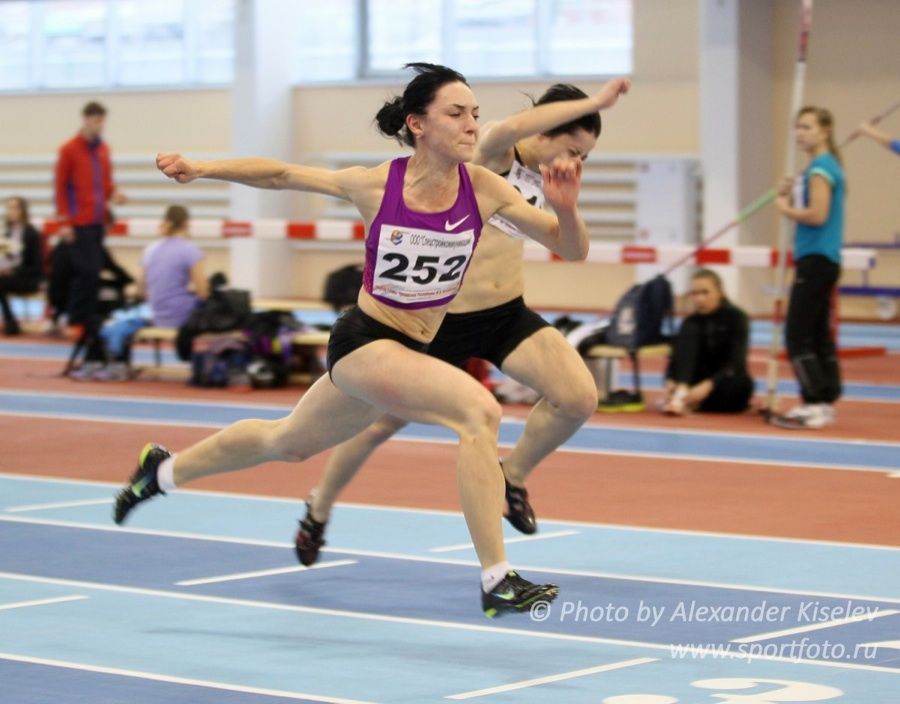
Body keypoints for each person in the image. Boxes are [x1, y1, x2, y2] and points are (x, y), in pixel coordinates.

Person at [112, 63, 628, 617]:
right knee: (478, 412)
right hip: (366, 341)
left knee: (287, 442)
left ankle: (160, 472)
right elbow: (281, 175)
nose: (471, 124)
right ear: (418, 124)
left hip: (416, 347)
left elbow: (570, 249)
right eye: (456, 113)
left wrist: (567, 209)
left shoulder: (486, 189)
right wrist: (201, 167)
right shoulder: (377, 184)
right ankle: (496, 579)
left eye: (475, 113)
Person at [295, 81, 630, 568]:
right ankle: (318, 507)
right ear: (548, 128)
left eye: (586, 156)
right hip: (434, 323)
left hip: (504, 314)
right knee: (374, 425)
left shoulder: (547, 179)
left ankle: (512, 476)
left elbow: (568, 242)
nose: (577, 162)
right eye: (573, 149)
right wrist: (595, 102)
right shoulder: (489, 153)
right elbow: (510, 127)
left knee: (577, 398)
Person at [774, 106, 845, 429]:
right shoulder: (820, 168)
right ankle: (826, 398)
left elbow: (817, 215)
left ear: (825, 130)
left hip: (816, 259)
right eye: (797, 127)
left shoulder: (820, 169)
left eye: (807, 127)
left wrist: (784, 207)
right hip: (820, 259)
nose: (799, 133)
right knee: (817, 334)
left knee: (797, 334)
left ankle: (814, 400)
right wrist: (791, 191)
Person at [54, 101, 126, 333]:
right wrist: (65, 222)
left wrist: (114, 196)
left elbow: (105, 184)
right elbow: (61, 187)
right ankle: (76, 320)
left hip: (97, 222)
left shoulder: (103, 149)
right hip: (79, 222)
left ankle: (83, 319)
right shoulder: (69, 149)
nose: (100, 125)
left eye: (102, 121)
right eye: (96, 121)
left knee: (92, 272)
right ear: (86, 119)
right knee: (85, 272)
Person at [659, 269, 753, 416]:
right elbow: (676, 358)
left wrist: (709, 385)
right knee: (690, 330)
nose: (699, 299)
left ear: (719, 292)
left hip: (724, 382)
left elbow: (737, 362)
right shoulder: (690, 322)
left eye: (705, 292)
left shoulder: (737, 318)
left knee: (739, 385)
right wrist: (670, 379)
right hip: (693, 382)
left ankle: (689, 400)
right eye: (695, 294)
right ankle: (681, 393)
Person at [140, 205, 207, 327]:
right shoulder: (191, 250)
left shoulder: (150, 250)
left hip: (157, 317)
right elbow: (202, 292)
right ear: (186, 223)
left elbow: (141, 289)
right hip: (182, 317)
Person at [0, 196, 43, 335]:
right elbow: (7, 257)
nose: (12, 212)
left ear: (23, 210)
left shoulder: (31, 233)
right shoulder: (8, 232)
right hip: (9, 277)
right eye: (9, 208)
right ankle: (10, 321)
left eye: (15, 208)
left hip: (28, 278)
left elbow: (36, 266)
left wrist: (14, 271)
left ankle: (10, 322)